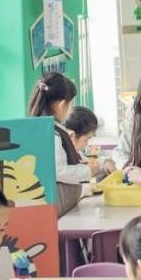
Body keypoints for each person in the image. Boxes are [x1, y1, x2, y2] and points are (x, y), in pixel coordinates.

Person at [28, 71, 92, 216]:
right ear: (62, 105)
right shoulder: (53, 133)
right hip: (59, 205)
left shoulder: (41, 127)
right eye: (71, 104)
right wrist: (88, 171)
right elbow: (58, 170)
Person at [64, 105, 102, 180]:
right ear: (71, 136)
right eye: (86, 139)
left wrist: (105, 162)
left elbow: (87, 161)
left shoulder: (77, 154)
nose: (87, 144)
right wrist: (88, 171)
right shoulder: (61, 159)